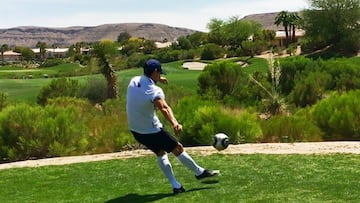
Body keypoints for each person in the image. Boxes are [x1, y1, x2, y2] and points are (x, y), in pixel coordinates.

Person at [126, 59, 219, 195]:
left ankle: (176, 186)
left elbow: (146, 84)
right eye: (159, 73)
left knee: (161, 152)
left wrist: (159, 79)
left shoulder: (134, 81)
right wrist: (175, 123)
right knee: (178, 148)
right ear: (155, 72)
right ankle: (199, 172)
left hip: (136, 130)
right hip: (152, 131)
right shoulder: (154, 91)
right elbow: (163, 107)